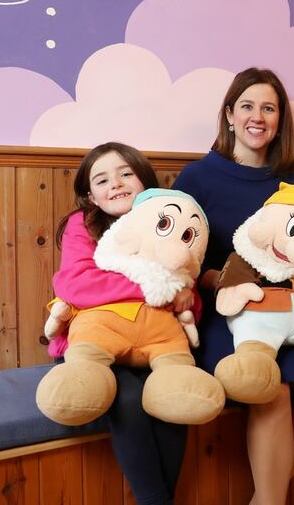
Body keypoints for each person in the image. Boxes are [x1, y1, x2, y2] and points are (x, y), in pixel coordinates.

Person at [173, 67, 294, 505]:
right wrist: (227, 285)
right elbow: (184, 260)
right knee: (274, 387)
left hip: (290, 312)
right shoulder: (196, 178)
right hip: (228, 315)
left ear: (279, 119)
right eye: (247, 106)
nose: (257, 116)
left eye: (268, 108)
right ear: (229, 115)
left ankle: (265, 499)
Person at [49, 141, 194, 505]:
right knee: (128, 399)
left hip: (157, 343)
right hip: (95, 343)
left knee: (169, 397)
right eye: (102, 179)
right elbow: (76, 283)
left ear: (145, 181)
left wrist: (185, 298)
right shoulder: (81, 224)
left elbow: (185, 282)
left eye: (126, 173)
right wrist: (156, 285)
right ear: (91, 195)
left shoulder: (167, 220)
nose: (115, 183)